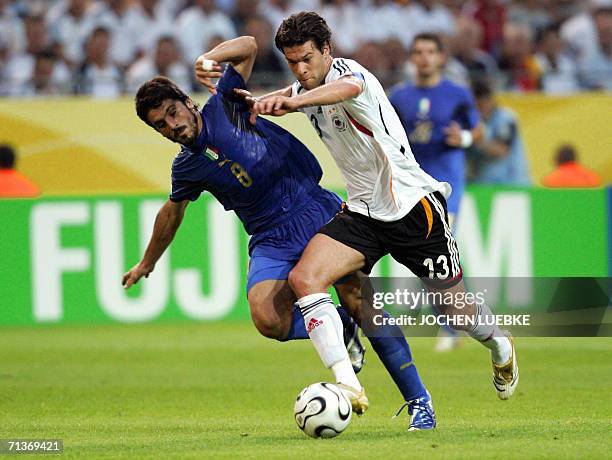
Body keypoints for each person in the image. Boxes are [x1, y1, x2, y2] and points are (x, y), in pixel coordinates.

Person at [123, 36, 433, 422]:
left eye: (173, 112)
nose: (173, 126)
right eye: (161, 125)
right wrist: (147, 263)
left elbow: (250, 45)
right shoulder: (186, 167)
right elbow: (171, 214)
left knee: (359, 299)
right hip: (269, 236)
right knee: (268, 318)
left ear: (187, 102)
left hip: (314, 208)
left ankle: (419, 401)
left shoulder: (225, 105)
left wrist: (208, 57)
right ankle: (340, 327)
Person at [237, 12, 518, 428]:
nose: (301, 69)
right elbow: (293, 90)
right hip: (363, 213)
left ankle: (500, 346)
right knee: (305, 279)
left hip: (413, 208)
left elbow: (343, 89)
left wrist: (293, 101)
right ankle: (348, 382)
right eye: (293, 61)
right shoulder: (303, 84)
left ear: (327, 50)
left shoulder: (353, 76)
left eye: (308, 59)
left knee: (456, 311)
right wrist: (261, 101)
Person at [389, 32, 484, 352]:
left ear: (441, 57)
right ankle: (461, 318)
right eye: (418, 52)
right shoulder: (399, 97)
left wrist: (466, 139)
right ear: (412, 58)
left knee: (438, 250)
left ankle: (452, 326)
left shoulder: (457, 93)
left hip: (447, 183)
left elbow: (477, 128)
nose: (424, 57)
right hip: (413, 183)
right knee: (431, 254)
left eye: (430, 51)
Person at [469, 79, 531, 185]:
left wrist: (473, 139)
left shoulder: (506, 118)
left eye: (482, 104)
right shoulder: (474, 121)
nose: (481, 108)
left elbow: (501, 150)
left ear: (490, 100)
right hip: (484, 185)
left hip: (512, 184)